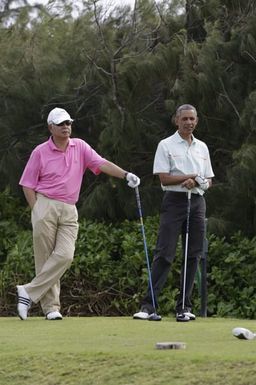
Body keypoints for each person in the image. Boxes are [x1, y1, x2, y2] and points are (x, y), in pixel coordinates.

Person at [17, 107, 140, 321]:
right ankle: (51, 308)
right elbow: (27, 184)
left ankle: (27, 291)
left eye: (68, 123)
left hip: (69, 208)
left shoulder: (80, 147)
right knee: (45, 259)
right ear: (50, 127)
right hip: (45, 204)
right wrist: (36, 210)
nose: (66, 127)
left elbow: (101, 163)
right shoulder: (40, 152)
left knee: (65, 255)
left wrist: (125, 174)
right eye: (61, 124)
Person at [133, 104, 214, 322]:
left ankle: (184, 307)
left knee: (193, 254)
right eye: (185, 118)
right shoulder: (166, 145)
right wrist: (188, 177)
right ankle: (148, 305)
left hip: (197, 202)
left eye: (192, 119)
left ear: (196, 121)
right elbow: (163, 177)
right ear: (176, 120)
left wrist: (198, 181)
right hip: (174, 201)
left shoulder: (202, 147)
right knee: (165, 253)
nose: (189, 122)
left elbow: (208, 180)